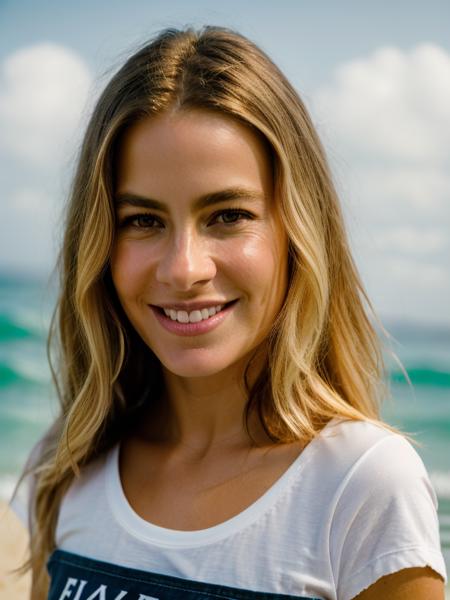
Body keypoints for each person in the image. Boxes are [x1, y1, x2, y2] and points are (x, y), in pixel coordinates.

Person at [11, 25, 447, 600]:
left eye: (228, 215)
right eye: (142, 220)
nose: (184, 268)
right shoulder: (68, 461)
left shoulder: (362, 487)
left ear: (296, 230)